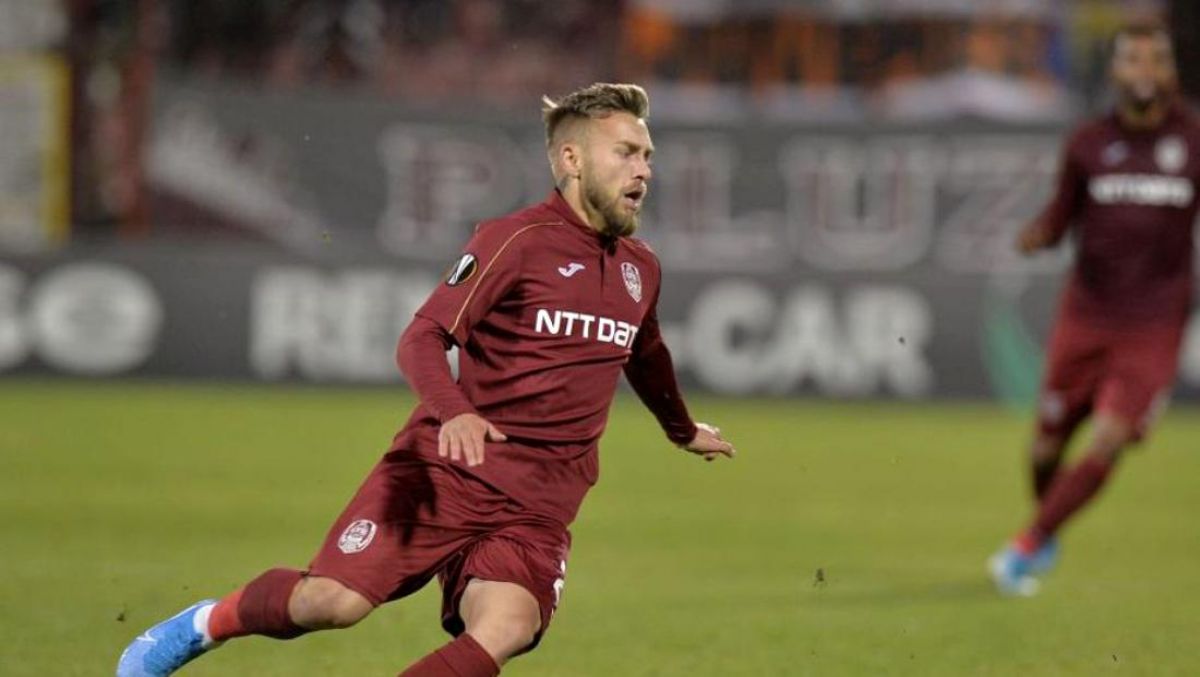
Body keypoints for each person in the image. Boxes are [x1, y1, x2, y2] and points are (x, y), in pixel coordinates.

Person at [116, 82, 735, 676]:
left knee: (506, 627)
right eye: (626, 152)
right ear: (572, 160)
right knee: (332, 603)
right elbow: (421, 338)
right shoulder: (515, 241)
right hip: (445, 474)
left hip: (538, 507)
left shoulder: (640, 268)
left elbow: (646, 353)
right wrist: (455, 411)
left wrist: (680, 429)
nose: (644, 170)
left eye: (647, 156)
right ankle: (207, 623)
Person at [989, 22, 1200, 596]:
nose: (1145, 70)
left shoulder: (1193, 141)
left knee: (1108, 437)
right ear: (1114, 70)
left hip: (1153, 326)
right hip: (1085, 318)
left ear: (1172, 70)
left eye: (1156, 59)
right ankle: (1045, 529)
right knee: (1044, 450)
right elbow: (1058, 222)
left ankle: (1023, 547)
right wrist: (1036, 235)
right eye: (1133, 59)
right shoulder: (1087, 144)